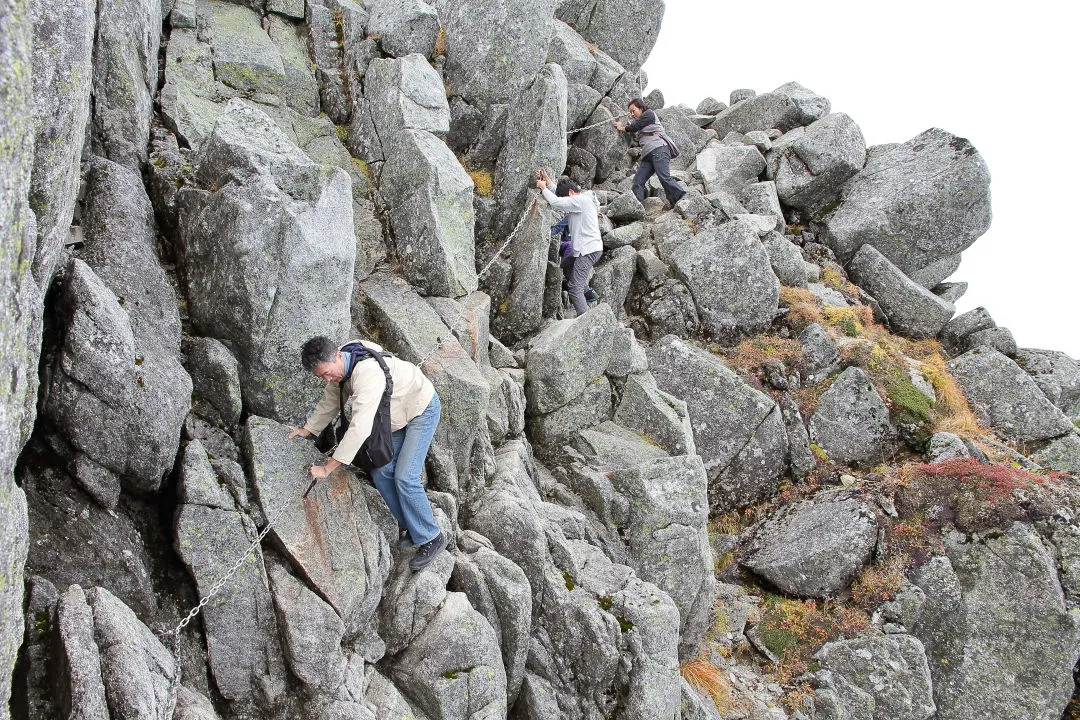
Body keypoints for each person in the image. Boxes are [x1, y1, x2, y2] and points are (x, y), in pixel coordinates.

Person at [288, 336, 447, 571]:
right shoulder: (343, 362)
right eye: (321, 376)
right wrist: (308, 430)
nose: (327, 379)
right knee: (381, 471)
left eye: (328, 373)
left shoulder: (367, 373)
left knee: (405, 476)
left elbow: (360, 427)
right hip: (395, 417)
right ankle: (413, 527)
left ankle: (431, 537)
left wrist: (327, 468)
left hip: (421, 409)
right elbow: (330, 401)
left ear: (337, 356)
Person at [535, 170, 603, 316]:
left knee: (574, 288)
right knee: (567, 264)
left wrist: (543, 188)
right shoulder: (582, 199)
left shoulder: (580, 201)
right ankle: (585, 290)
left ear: (572, 192)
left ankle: (585, 320)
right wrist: (549, 182)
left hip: (588, 251)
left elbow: (557, 202)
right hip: (588, 248)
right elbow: (564, 197)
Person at [614, 98, 686, 207]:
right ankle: (637, 208)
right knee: (638, 180)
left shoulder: (649, 114)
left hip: (659, 149)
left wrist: (622, 127)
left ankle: (683, 198)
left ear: (641, 108)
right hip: (647, 155)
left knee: (664, 177)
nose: (632, 114)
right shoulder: (640, 120)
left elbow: (634, 126)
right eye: (630, 112)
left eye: (633, 110)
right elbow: (635, 125)